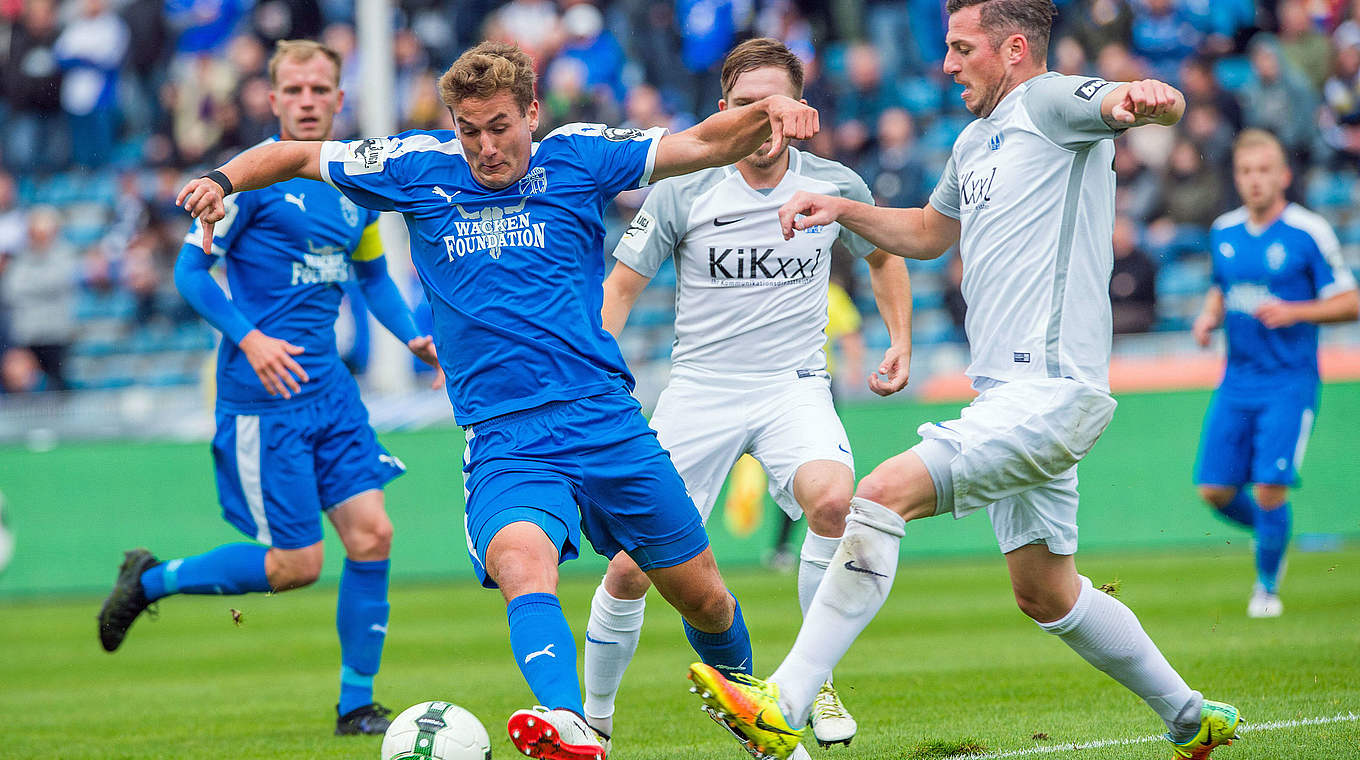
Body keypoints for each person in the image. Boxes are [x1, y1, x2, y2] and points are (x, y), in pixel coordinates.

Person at [174, 40, 820, 760]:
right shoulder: (414, 165)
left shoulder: (579, 154)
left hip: (604, 418)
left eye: (500, 127)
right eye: (469, 129)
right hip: (505, 437)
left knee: (702, 596)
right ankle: (569, 724)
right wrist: (220, 177)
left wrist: (769, 110)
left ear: (532, 113)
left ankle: (760, 723)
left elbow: (702, 139)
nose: (485, 147)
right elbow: (295, 157)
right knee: (520, 562)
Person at [685, 3, 1242, 760]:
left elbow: (1128, 102)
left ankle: (781, 702)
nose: (946, 64)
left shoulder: (1047, 103)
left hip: (1048, 392)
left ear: (1014, 49)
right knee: (1045, 590)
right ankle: (1191, 718)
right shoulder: (977, 141)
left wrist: (1149, 95)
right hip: (1010, 400)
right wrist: (842, 208)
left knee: (877, 495)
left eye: (960, 48)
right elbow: (926, 233)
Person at [96, 40, 441, 737]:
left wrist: (410, 335)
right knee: (295, 566)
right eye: (296, 89)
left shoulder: (353, 187)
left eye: (321, 89)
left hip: (332, 392)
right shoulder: (247, 184)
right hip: (263, 396)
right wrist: (248, 337)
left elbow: (372, 276)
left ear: (339, 101)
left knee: (373, 535)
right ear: (274, 99)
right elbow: (191, 275)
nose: (309, 100)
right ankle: (150, 579)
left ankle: (356, 705)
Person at [581, 38, 912, 752]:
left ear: (800, 112)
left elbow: (885, 254)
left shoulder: (834, 183)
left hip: (793, 385)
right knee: (632, 568)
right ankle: (594, 724)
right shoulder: (684, 187)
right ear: (723, 110)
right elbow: (620, 288)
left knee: (833, 501)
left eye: (777, 106)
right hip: (700, 391)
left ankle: (811, 683)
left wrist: (900, 339)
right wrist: (597, 368)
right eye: (745, 106)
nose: (762, 120)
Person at [1191, 128, 1359, 619]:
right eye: (1246, 171)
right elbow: (1221, 288)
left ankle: (1266, 589)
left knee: (1269, 487)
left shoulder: (1309, 232)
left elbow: (1350, 302)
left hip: (1289, 381)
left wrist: (1295, 312)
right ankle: (1271, 532)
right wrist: (1208, 316)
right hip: (1236, 381)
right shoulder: (1223, 231)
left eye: (1264, 170)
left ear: (1283, 176)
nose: (1255, 180)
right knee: (1215, 492)